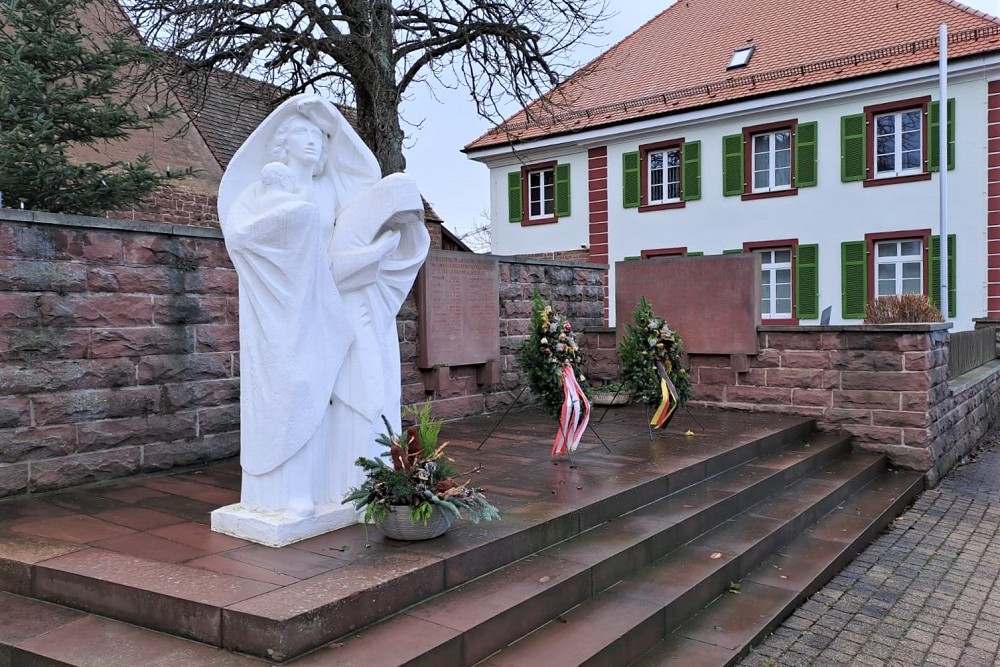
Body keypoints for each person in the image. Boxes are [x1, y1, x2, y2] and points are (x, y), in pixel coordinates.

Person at [214, 94, 429, 535]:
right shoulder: (261, 191)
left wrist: (373, 253)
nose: (314, 143)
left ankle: (328, 487)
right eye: (303, 134)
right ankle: (288, 490)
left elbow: (354, 197)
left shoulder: (330, 187)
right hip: (283, 312)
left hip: (327, 308)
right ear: (282, 144)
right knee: (293, 393)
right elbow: (243, 237)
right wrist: (299, 228)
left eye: (320, 137)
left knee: (329, 398)